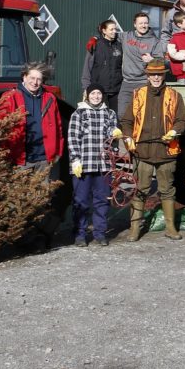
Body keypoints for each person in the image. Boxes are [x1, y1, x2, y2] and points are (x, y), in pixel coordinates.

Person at [119, 58, 185, 242]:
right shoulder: (137, 94)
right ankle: (134, 228)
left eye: (159, 74)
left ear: (164, 75)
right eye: (152, 74)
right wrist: (128, 138)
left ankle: (170, 227)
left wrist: (175, 131)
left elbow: (182, 121)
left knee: (167, 190)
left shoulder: (175, 95)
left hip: (166, 153)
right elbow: (126, 121)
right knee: (140, 190)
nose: (156, 77)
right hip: (143, 152)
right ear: (147, 76)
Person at [0, 62, 64, 250]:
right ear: (24, 77)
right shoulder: (10, 97)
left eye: (39, 79)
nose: (35, 82)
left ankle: (40, 238)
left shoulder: (49, 98)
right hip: (21, 159)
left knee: (43, 200)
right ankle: (21, 238)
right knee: (20, 200)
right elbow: (0, 126)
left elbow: (58, 127)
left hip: (44, 158)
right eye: (32, 78)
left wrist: (58, 151)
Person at [67, 83, 121, 247]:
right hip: (83, 165)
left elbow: (111, 133)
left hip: (103, 166)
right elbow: (72, 137)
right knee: (81, 201)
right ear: (87, 95)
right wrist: (75, 159)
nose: (96, 96)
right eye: (93, 94)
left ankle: (100, 233)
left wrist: (115, 133)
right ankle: (80, 234)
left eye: (99, 93)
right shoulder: (79, 113)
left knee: (102, 200)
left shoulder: (109, 113)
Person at [118, 12, 163, 117]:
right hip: (127, 83)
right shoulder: (126, 36)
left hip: (144, 82)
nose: (143, 26)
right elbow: (110, 35)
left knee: (142, 115)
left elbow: (161, 62)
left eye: (146, 23)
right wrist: (96, 38)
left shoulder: (154, 41)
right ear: (135, 24)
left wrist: (151, 60)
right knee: (122, 115)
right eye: (141, 23)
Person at [80, 19, 123, 112]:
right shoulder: (95, 45)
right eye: (111, 29)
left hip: (116, 89)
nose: (114, 31)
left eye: (115, 29)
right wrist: (86, 87)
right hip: (98, 90)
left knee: (115, 118)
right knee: (98, 116)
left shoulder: (119, 45)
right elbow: (87, 67)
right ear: (104, 31)